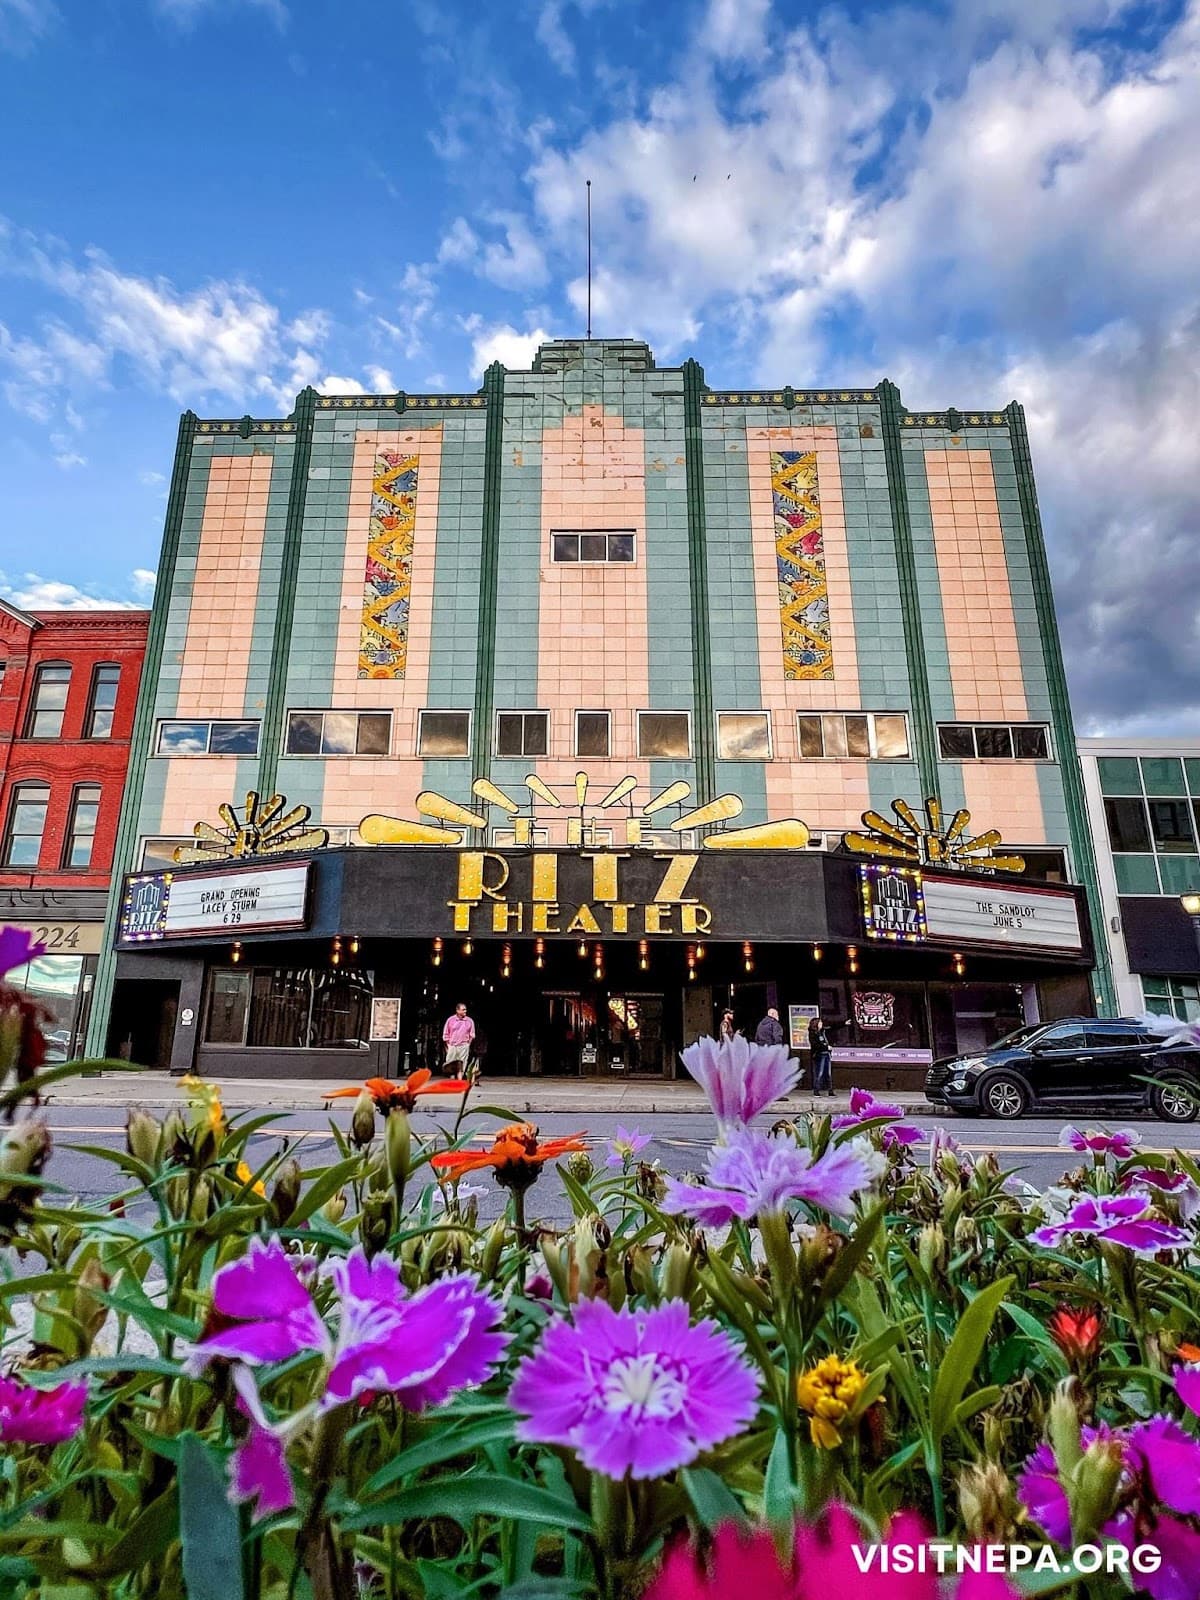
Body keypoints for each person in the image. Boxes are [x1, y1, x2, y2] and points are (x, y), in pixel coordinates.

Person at [442, 1002, 475, 1075]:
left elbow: (472, 1034)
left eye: (465, 1009)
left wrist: (467, 1044)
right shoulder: (450, 1020)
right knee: (450, 1063)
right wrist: (448, 1045)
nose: (465, 1011)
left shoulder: (469, 1021)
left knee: (462, 1064)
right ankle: (452, 1081)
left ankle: (459, 1081)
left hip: (463, 1046)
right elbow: (446, 1033)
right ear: (457, 1010)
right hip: (452, 1046)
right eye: (463, 1010)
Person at [808, 1014, 832, 1096]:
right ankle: (816, 1090)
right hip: (819, 1055)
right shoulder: (813, 1034)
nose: (821, 1024)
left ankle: (830, 1090)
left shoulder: (823, 1032)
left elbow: (833, 1027)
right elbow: (816, 1045)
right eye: (820, 1023)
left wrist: (844, 1023)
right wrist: (826, 1047)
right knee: (819, 1073)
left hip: (826, 1054)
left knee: (828, 1073)